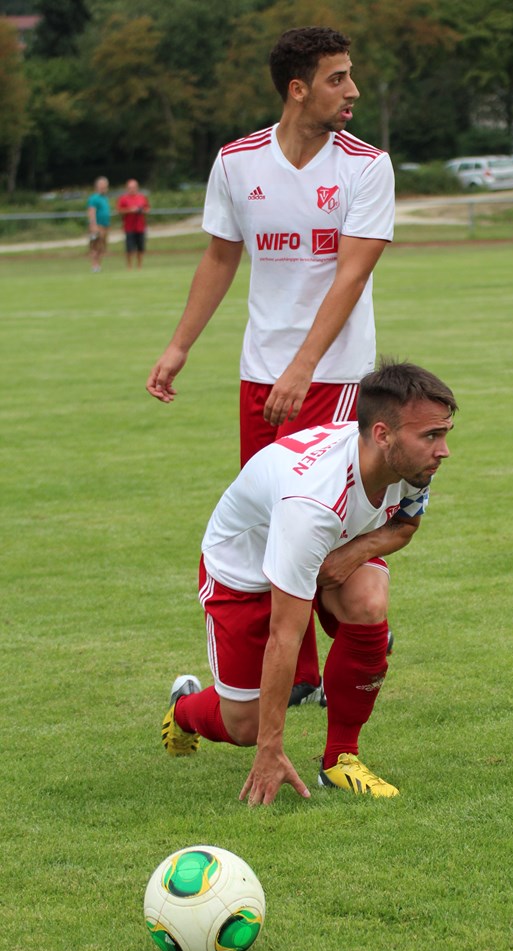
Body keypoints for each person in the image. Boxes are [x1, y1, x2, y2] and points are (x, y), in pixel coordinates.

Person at [145, 26, 395, 707]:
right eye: (338, 78)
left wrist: (303, 368)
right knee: (273, 521)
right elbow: (221, 257)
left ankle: (356, 631)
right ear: (298, 88)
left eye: (350, 76)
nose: (353, 91)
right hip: (262, 375)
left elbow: (351, 275)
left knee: (328, 518)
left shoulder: (366, 166)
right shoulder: (236, 163)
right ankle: (302, 677)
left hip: (338, 377)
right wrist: (179, 346)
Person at [160, 360, 457, 807]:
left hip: (329, 543)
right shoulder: (312, 505)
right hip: (244, 569)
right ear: (382, 434)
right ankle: (184, 710)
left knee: (368, 605)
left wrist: (349, 557)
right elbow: (286, 634)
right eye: (431, 436)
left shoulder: (409, 464)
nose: (444, 450)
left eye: (445, 433)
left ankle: (340, 760)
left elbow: (404, 526)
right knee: (244, 726)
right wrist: (269, 749)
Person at [117, 179, 150, 268]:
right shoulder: (123, 198)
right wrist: (130, 210)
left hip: (140, 227)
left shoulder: (142, 197)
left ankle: (139, 265)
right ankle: (129, 266)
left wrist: (141, 210)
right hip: (129, 227)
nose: (132, 189)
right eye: (130, 187)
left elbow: (147, 209)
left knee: (140, 247)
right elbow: (119, 210)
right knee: (129, 248)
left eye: (134, 187)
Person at [86, 176, 110, 272]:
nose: (104, 187)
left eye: (105, 185)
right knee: (95, 245)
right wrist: (93, 225)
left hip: (105, 225)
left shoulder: (104, 198)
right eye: (102, 185)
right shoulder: (94, 198)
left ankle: (98, 265)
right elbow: (91, 211)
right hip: (97, 225)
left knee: (102, 246)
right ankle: (94, 265)